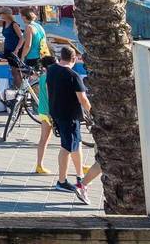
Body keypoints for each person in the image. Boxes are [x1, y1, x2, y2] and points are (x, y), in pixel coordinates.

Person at [44, 42, 92, 201]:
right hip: (69, 116)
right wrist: (93, 112)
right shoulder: (73, 76)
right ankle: (64, 180)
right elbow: (83, 100)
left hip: (56, 113)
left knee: (71, 145)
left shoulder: (51, 71)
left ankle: (75, 175)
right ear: (74, 58)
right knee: (69, 146)